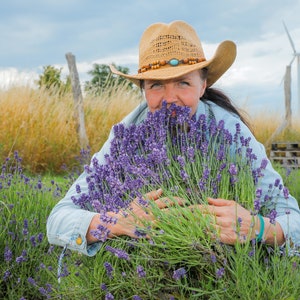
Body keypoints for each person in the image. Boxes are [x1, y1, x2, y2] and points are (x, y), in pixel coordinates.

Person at [47, 20, 300, 256]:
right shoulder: (126, 136)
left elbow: (292, 218)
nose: (169, 99)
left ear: (203, 86)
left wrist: (257, 228)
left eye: (182, 83)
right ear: (143, 90)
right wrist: (117, 223)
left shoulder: (230, 133)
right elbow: (58, 219)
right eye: (156, 85)